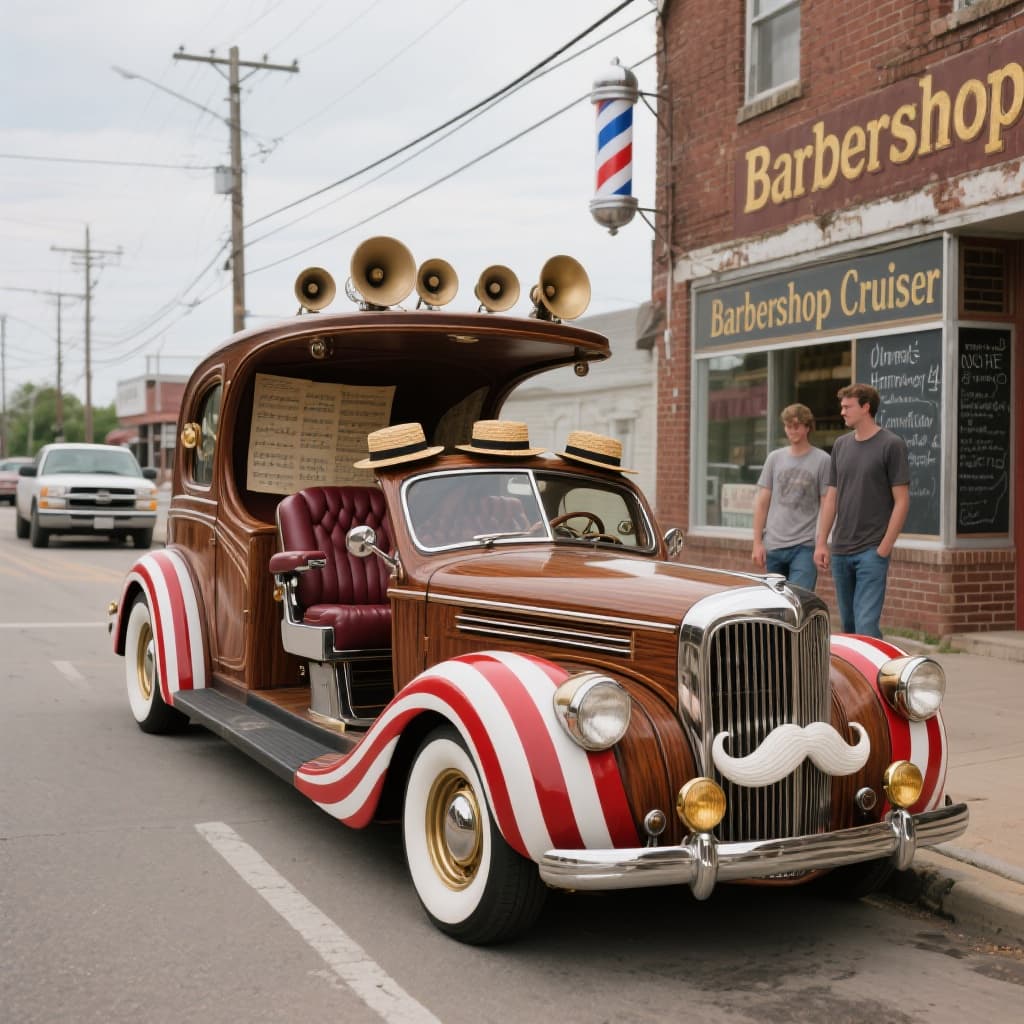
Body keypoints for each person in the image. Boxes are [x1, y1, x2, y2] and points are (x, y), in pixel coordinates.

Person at [814, 383, 910, 638]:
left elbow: (902, 500)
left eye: (848, 407)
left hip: (871, 550)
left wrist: (884, 547)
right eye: (842, 407)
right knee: (849, 626)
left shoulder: (892, 444)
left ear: (866, 407)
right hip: (841, 550)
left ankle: (876, 664)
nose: (842, 412)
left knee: (866, 626)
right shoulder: (840, 445)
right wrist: (822, 542)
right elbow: (831, 497)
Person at [751, 403, 830, 590]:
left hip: (805, 546)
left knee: (798, 599)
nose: (791, 431)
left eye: (796, 426)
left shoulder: (823, 460)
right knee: (774, 603)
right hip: (774, 545)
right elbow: (762, 503)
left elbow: (827, 503)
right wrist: (757, 542)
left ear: (807, 427)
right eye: (788, 426)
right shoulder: (774, 458)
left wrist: (822, 543)